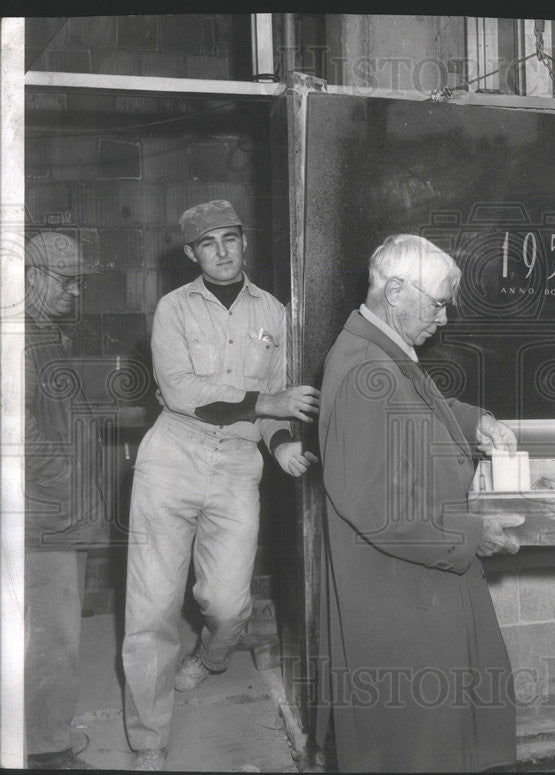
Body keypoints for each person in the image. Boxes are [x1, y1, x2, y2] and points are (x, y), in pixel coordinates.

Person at [122, 201, 321, 770]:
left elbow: (281, 400)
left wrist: (280, 441)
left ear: (243, 241)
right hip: (173, 459)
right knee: (152, 608)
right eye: (209, 243)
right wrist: (268, 404)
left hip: (237, 465)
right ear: (192, 254)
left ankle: (210, 657)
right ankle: (149, 739)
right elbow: (182, 390)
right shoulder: (173, 308)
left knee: (229, 605)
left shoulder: (276, 313)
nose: (224, 251)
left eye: (231, 238)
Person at [316, 234, 520, 772]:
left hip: (415, 588)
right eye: (438, 303)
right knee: (417, 747)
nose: (445, 318)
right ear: (396, 290)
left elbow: (417, 407)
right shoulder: (367, 368)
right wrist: (475, 535)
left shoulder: (380, 349)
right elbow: (380, 506)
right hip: (402, 601)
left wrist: (477, 422)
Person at [24, 232, 107, 769]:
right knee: (53, 638)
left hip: (59, 507)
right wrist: (64, 475)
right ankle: (47, 752)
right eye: (65, 280)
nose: (76, 291)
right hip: (46, 514)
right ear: (30, 277)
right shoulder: (17, 337)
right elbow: (14, 430)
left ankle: (37, 738)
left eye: (80, 280)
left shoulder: (44, 332)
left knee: (53, 632)